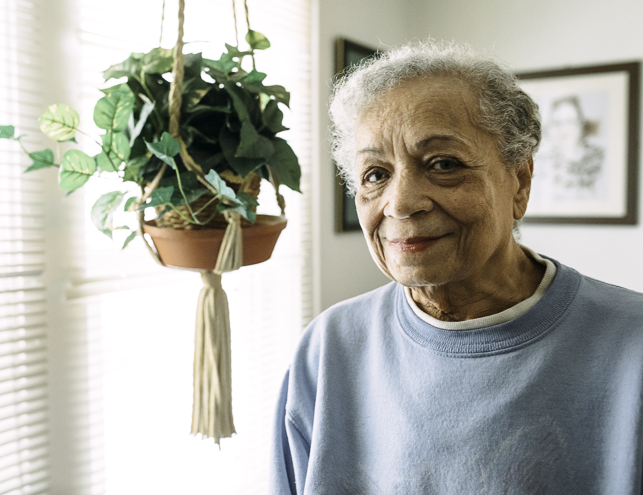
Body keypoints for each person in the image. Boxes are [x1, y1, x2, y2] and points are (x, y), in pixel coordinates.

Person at [270, 41, 643, 494]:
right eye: (375, 174)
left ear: (519, 181)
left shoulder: (631, 345)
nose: (401, 203)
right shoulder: (327, 350)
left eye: (443, 164)